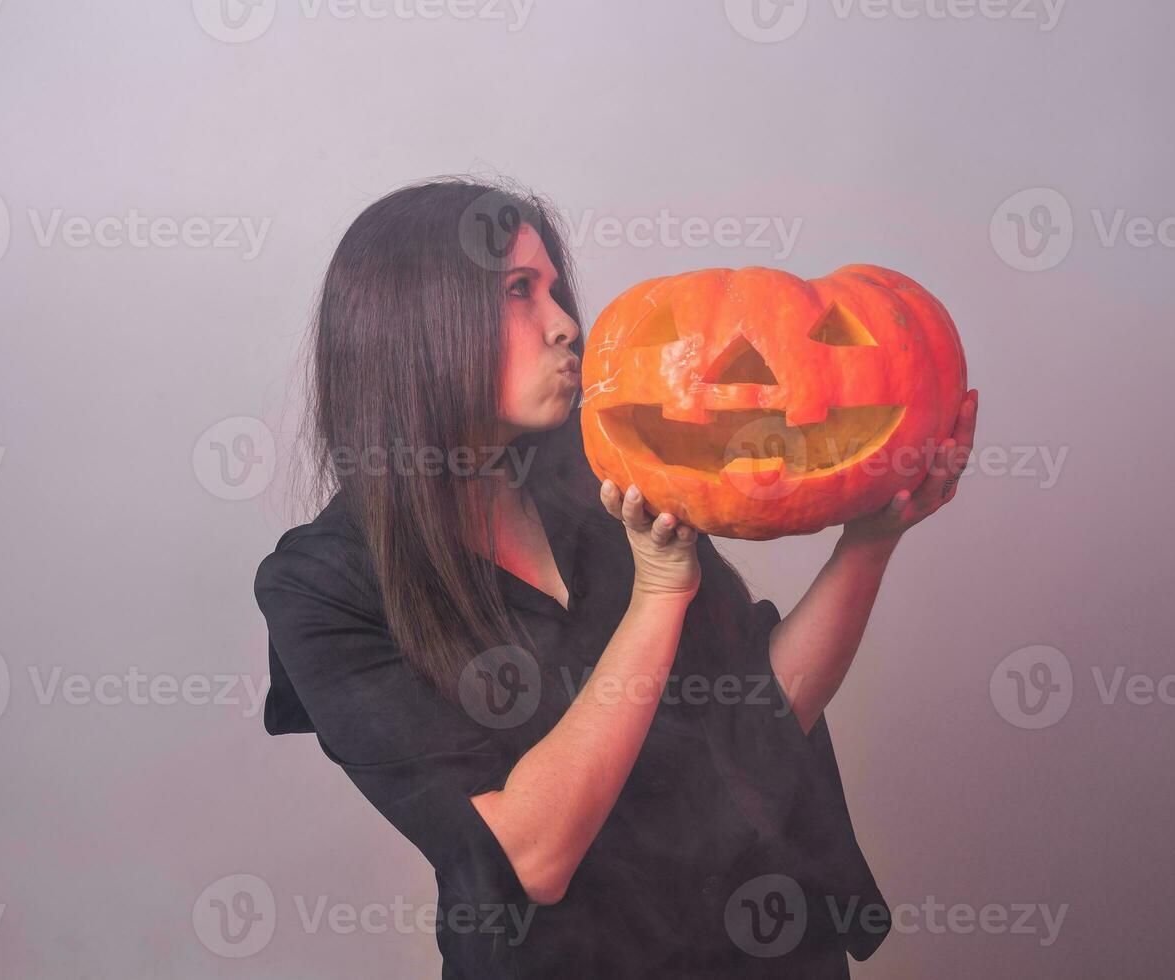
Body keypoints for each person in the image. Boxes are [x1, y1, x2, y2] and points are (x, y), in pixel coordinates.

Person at [254, 176, 979, 978]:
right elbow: (529, 854)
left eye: (557, 292)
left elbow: (762, 716)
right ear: (415, 324)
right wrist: (658, 596)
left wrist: (871, 542)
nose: (568, 327)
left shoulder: (611, 467)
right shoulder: (323, 587)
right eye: (519, 294)